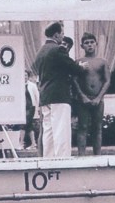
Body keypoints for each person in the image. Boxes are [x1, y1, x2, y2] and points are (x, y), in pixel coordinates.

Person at [32, 21, 85, 158]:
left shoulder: (40, 51)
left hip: (45, 95)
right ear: (56, 35)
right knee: (61, 129)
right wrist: (82, 67)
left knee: (48, 130)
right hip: (59, 95)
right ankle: (63, 158)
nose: (62, 36)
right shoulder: (58, 49)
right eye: (62, 33)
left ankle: (48, 159)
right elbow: (73, 68)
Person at [72, 32, 110, 156]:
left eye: (92, 42)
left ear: (96, 44)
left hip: (98, 99)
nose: (89, 45)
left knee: (97, 128)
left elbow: (107, 80)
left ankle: (97, 156)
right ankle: (81, 156)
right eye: (86, 43)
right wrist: (82, 96)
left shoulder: (102, 61)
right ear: (82, 46)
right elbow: (74, 80)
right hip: (83, 100)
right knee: (82, 127)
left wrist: (99, 97)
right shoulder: (79, 61)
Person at [21, 69, 41, 150]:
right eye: (23, 75)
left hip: (30, 107)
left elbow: (37, 96)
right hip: (22, 108)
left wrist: (39, 108)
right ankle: (33, 143)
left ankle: (21, 143)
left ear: (28, 76)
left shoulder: (32, 85)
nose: (24, 77)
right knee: (29, 126)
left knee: (23, 125)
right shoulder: (18, 85)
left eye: (26, 75)